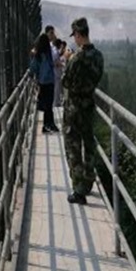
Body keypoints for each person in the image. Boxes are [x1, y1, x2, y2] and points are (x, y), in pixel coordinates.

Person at [61, 17, 104, 204]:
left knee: (73, 148)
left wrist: (67, 59)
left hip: (74, 109)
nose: (75, 39)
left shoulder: (76, 58)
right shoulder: (98, 56)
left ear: (78, 34)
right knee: (89, 144)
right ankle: (88, 182)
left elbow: (65, 82)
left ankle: (78, 190)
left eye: (75, 36)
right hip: (89, 106)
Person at [29, 32, 59, 133]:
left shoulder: (38, 54)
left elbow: (33, 67)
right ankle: (48, 124)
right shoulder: (48, 53)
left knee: (46, 104)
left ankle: (48, 124)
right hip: (50, 81)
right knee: (49, 104)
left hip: (42, 82)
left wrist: (33, 75)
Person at [52, 38, 67, 107]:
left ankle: (56, 102)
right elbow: (54, 62)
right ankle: (56, 103)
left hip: (56, 73)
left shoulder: (54, 51)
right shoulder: (55, 52)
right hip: (56, 73)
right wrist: (61, 64)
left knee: (57, 89)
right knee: (56, 89)